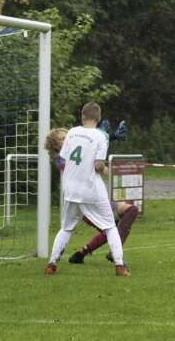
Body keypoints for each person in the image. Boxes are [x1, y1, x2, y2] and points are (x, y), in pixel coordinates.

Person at [45, 102, 129, 276]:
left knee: (66, 228)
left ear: (82, 117)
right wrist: (106, 169)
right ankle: (119, 266)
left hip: (70, 191)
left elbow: (67, 158)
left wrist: (109, 138)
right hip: (91, 190)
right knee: (111, 227)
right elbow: (98, 165)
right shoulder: (100, 136)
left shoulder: (73, 132)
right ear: (98, 119)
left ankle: (51, 264)